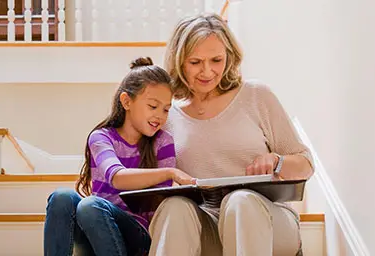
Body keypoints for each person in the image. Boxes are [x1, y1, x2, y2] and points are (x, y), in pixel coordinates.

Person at [148, 13, 316, 256]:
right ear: (179, 60)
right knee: (174, 207)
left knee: (241, 201)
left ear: (229, 56)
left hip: (267, 222)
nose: (207, 71)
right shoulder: (167, 114)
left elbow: (306, 164)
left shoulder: (256, 96)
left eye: (216, 60)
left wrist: (277, 161)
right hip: (204, 224)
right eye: (195, 62)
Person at [43, 57, 196, 256]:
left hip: (137, 235)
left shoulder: (163, 142)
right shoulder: (101, 138)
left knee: (90, 205)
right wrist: (171, 172)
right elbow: (116, 177)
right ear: (126, 101)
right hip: (95, 224)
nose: (160, 115)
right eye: (152, 106)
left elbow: (158, 205)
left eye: (166, 109)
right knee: (62, 197)